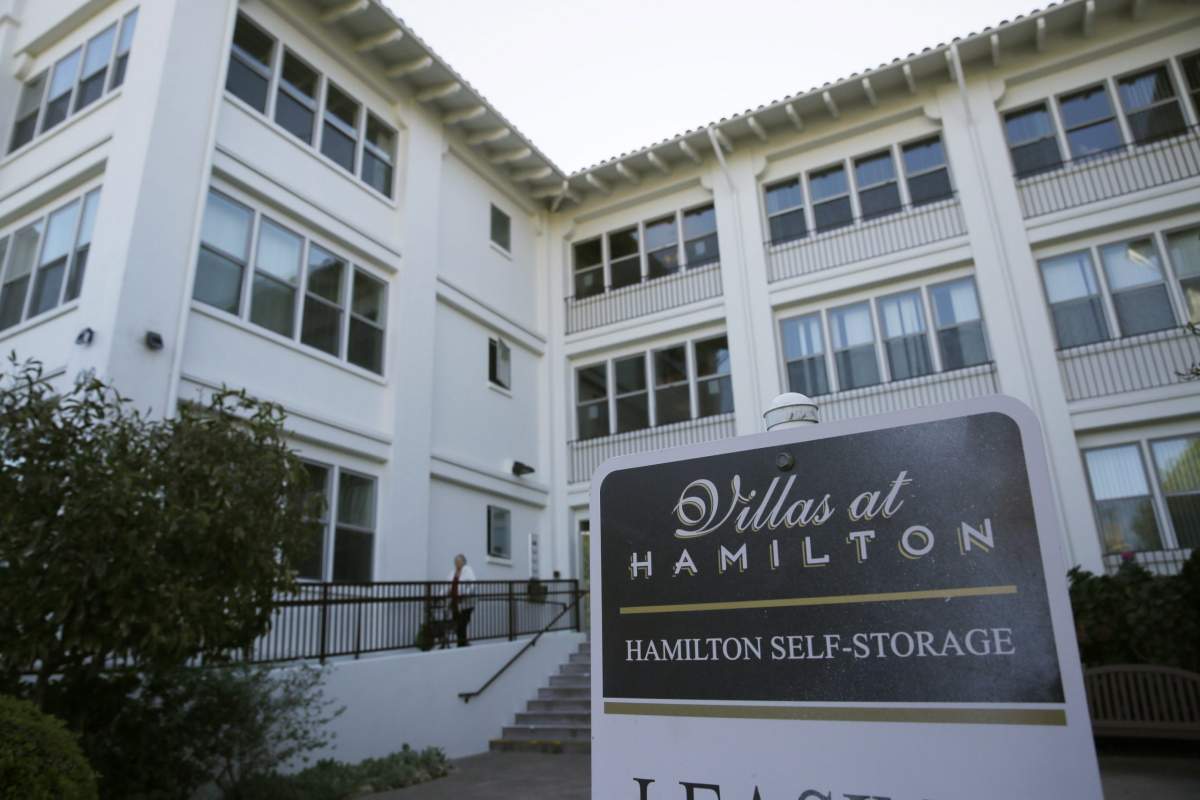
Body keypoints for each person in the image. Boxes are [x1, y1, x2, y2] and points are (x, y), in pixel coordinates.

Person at [446, 554, 476, 647]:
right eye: (456, 562)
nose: (457, 563)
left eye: (459, 561)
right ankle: (462, 642)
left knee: (463, 623)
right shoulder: (453, 572)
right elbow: (447, 585)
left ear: (463, 562)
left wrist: (465, 593)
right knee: (457, 623)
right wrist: (442, 594)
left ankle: (462, 643)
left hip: (466, 602)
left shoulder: (467, 570)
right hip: (455, 602)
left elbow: (472, 584)